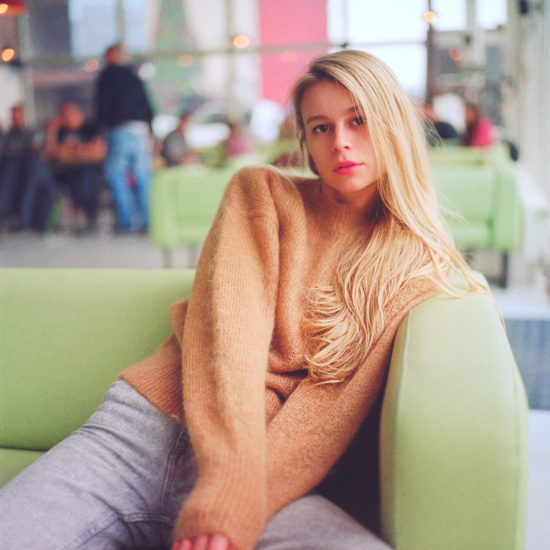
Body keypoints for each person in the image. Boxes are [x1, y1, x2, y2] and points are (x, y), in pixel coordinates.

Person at [0, 50, 484, 550]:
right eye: (320, 127)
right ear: (305, 142)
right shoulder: (263, 194)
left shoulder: (413, 269)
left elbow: (327, 409)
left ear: (393, 124)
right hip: (143, 434)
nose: (340, 142)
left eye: (358, 120)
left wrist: (236, 504)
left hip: (270, 475)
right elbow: (230, 338)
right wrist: (229, 487)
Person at [95, 42, 154, 232]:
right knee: (143, 177)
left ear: (111, 55)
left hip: (120, 131)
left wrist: (99, 132)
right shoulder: (134, 76)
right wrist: (151, 131)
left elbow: (102, 105)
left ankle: (128, 222)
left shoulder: (108, 76)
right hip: (140, 131)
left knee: (114, 174)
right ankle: (148, 222)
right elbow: (147, 105)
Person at [45, 101, 106, 232]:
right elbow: (51, 154)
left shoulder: (90, 128)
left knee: (87, 177)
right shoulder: (62, 132)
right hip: (67, 170)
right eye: (63, 116)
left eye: (69, 114)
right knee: (51, 177)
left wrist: (73, 152)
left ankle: (90, 217)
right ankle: (59, 217)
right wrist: (52, 130)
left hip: (89, 168)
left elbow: (97, 151)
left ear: (78, 113)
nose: (66, 118)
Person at [0, 104, 59, 232]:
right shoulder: (8, 136)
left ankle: (27, 220)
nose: (16, 120)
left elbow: (38, 148)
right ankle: (23, 220)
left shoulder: (33, 133)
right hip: (14, 174)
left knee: (37, 181)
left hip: (31, 171)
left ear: (24, 116)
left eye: (19, 116)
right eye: (14, 117)